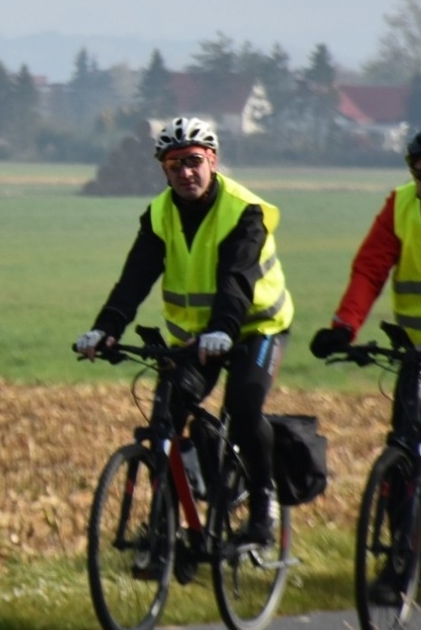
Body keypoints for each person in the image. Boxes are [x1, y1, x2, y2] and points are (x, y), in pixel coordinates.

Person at [76, 116, 294, 547]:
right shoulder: (159, 214)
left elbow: (236, 280)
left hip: (255, 329)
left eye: (194, 161)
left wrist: (224, 331)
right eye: (174, 165)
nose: (185, 173)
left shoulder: (243, 210)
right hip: (196, 338)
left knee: (245, 409)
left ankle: (264, 503)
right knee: (167, 420)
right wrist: (105, 329)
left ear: (212, 160)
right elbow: (134, 280)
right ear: (164, 170)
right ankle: (175, 525)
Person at [309, 123, 421, 600]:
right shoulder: (400, 206)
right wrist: (344, 326)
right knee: (404, 451)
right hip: (416, 351)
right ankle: (400, 564)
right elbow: (371, 266)